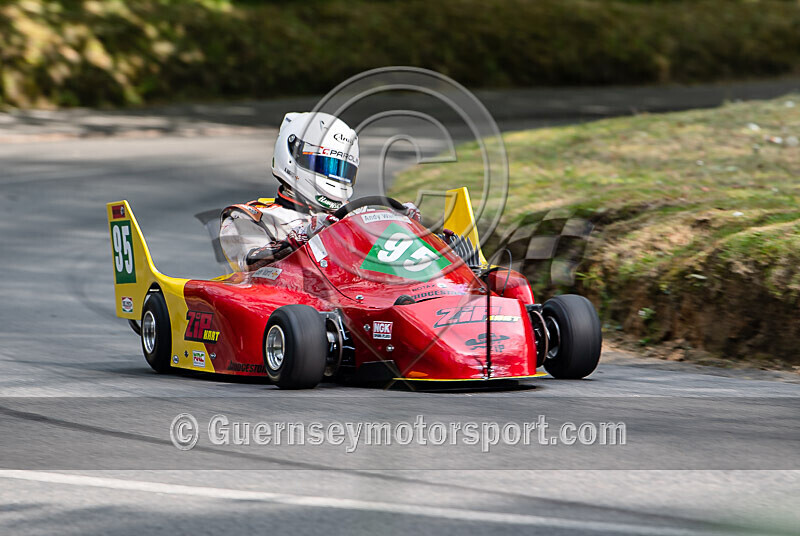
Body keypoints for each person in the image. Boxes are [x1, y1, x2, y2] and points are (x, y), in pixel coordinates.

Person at [220, 112, 420, 271]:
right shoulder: (251, 217)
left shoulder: (357, 215)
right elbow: (249, 263)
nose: (334, 176)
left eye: (342, 170)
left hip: (356, 296)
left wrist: (404, 228)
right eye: (326, 165)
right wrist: (301, 237)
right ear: (293, 157)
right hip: (294, 300)